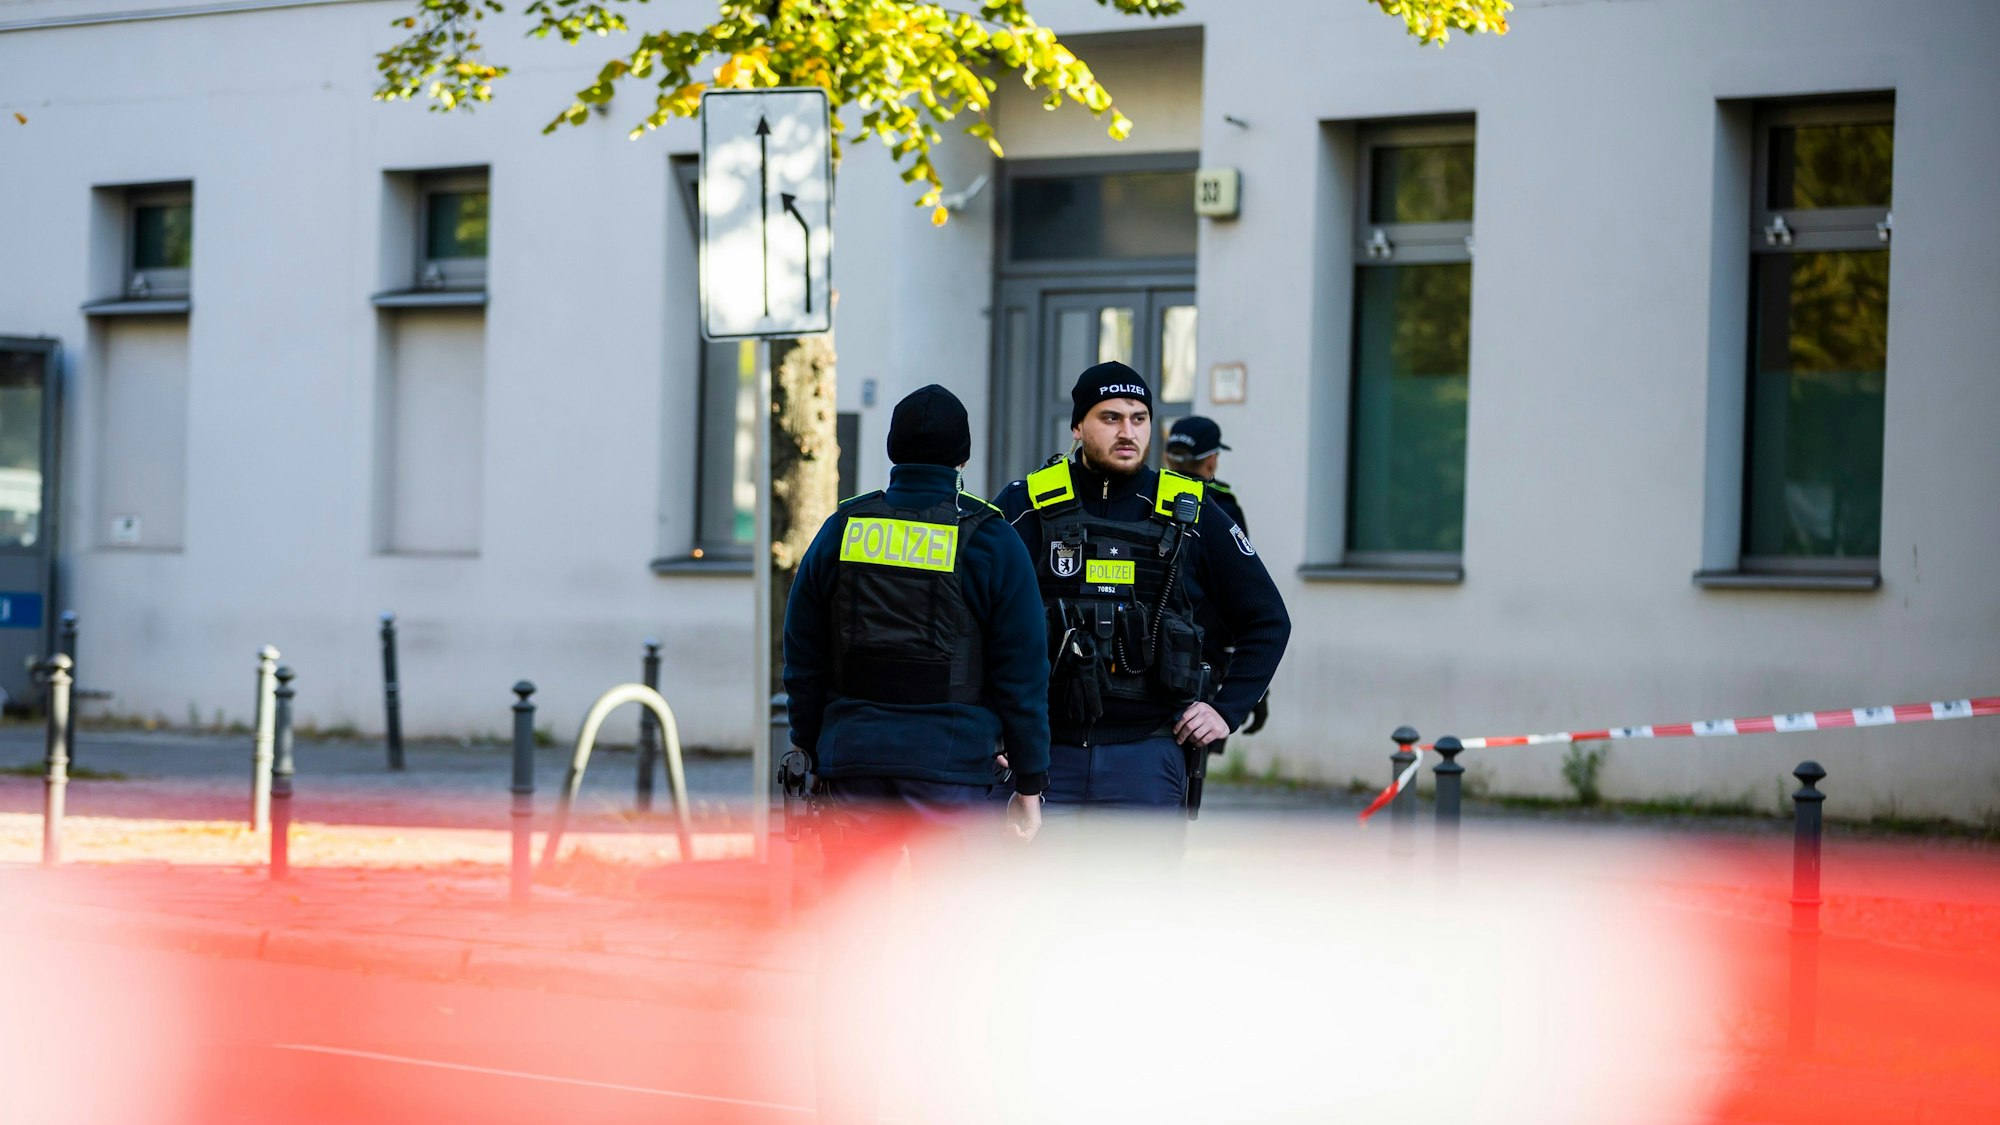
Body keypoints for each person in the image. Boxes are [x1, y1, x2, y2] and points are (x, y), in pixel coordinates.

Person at [995, 362, 1290, 820]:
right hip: (1042, 761)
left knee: (1139, 894)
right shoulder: (1025, 503)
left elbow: (1268, 619)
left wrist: (1226, 710)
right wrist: (990, 734)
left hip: (1147, 759)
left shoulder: (1192, 509)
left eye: (1138, 418)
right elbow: (974, 618)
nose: (1127, 431)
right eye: (1110, 418)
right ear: (1078, 426)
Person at [1165, 415, 1269, 738]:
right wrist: (1255, 687)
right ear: (1211, 460)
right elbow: (1246, 599)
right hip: (1202, 661)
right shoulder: (1220, 509)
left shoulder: (1144, 501)